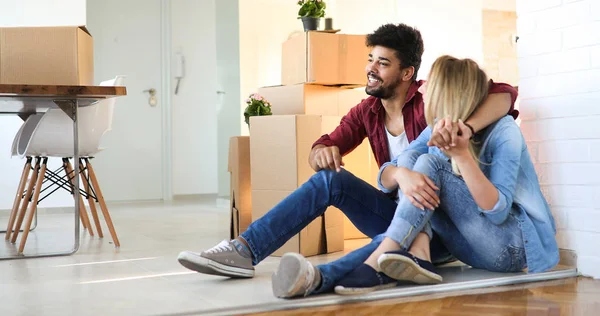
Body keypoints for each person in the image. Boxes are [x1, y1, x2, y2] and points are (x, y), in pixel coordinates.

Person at [176, 23, 519, 298]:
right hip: (395, 213)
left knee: (387, 239)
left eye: (382, 63)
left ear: (406, 73)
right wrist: (320, 152)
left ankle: (321, 278)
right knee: (329, 180)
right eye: (371, 59)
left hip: (440, 226)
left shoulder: (431, 96)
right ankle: (243, 251)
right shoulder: (366, 111)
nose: (371, 69)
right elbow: (325, 145)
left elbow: (505, 92)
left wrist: (465, 126)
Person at [331, 55, 559, 294]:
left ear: (445, 92)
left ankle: (382, 255)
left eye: (429, 82)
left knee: (430, 162)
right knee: (410, 160)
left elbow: (499, 212)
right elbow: (385, 175)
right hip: (471, 248)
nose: (422, 89)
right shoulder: (437, 127)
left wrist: (462, 155)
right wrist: (400, 174)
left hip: (511, 247)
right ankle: (420, 252)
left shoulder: (504, 132)